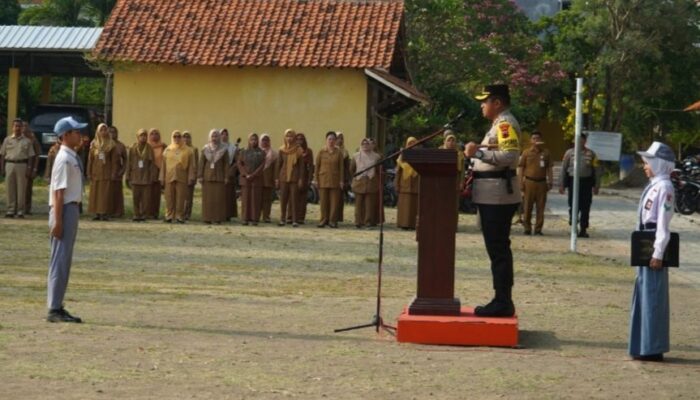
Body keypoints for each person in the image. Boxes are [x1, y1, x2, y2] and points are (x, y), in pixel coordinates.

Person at [464, 84, 521, 317]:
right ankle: (501, 298)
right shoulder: (498, 125)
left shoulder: (505, 124)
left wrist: (477, 153)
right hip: (491, 194)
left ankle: (503, 301)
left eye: (485, 101)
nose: (482, 105)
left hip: (497, 195)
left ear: (497, 103)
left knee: (498, 250)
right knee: (497, 249)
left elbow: (510, 156)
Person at [628, 142, 676, 362]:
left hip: (652, 245)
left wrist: (658, 253)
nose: (644, 166)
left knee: (654, 297)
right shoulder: (655, 185)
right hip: (643, 244)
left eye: (647, 163)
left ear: (659, 164)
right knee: (645, 294)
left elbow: (663, 226)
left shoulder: (665, 188)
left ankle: (653, 346)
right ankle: (642, 343)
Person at [47, 116, 87, 323]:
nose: (79, 135)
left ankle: (57, 304)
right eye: (76, 132)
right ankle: (54, 308)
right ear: (65, 135)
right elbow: (59, 193)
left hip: (70, 209)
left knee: (64, 260)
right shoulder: (64, 158)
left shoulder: (70, 156)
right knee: (60, 260)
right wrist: (58, 221)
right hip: (64, 210)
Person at [559, 133, 601, 238]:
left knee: (585, 207)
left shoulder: (591, 154)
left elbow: (596, 171)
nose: (580, 142)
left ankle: (583, 229)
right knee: (573, 206)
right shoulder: (569, 153)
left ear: (585, 141)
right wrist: (562, 184)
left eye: (582, 140)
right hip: (573, 182)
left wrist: (596, 185)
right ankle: (574, 228)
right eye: (578, 140)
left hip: (586, 183)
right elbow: (563, 169)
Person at [518, 131, 553, 235]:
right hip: (529, 182)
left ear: (541, 140)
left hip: (542, 183)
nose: (536, 140)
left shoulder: (546, 153)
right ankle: (527, 228)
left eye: (538, 138)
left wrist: (550, 181)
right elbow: (521, 168)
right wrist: (520, 182)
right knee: (527, 206)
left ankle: (538, 229)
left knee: (541, 207)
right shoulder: (526, 152)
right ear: (531, 140)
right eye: (534, 138)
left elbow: (549, 168)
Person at [0, 118, 36, 218]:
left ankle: (20, 211)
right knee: (9, 188)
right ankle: (10, 210)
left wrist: (29, 168)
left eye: (19, 126)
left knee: (21, 189)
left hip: (22, 165)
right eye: (15, 126)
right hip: (9, 164)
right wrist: (2, 168)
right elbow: (2, 155)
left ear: (22, 128)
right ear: (12, 127)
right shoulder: (7, 140)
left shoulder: (27, 141)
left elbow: (31, 156)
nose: (17, 128)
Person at [160, 130, 196, 223]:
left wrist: (191, 177)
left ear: (181, 138)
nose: (176, 138)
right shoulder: (167, 150)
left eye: (178, 136)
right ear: (172, 137)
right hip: (169, 176)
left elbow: (191, 166)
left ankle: (179, 216)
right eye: (175, 136)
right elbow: (163, 165)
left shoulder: (188, 150)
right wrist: (161, 177)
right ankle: (169, 215)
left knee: (181, 197)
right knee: (169, 197)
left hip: (182, 176)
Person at [87, 123, 118, 221]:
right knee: (95, 193)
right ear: (98, 131)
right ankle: (96, 213)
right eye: (101, 130)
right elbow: (90, 160)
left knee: (105, 194)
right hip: (96, 172)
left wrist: (113, 172)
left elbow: (114, 161)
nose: (104, 132)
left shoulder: (111, 144)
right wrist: (89, 172)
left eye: (105, 130)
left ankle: (104, 213)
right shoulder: (94, 144)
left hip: (107, 172)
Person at [199, 129, 229, 224]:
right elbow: (201, 163)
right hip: (207, 177)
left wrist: (226, 176)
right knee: (208, 199)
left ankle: (217, 218)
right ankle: (207, 218)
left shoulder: (224, 149)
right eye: (212, 136)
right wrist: (200, 176)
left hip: (219, 177)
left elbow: (226, 164)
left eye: (216, 136)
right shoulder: (205, 149)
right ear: (209, 137)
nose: (214, 138)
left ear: (219, 137)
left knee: (218, 199)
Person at [315, 131, 344, 228]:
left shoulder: (339, 152)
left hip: (335, 179)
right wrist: (316, 179)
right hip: (323, 179)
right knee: (323, 202)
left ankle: (332, 221)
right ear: (326, 140)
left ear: (336, 141)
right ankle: (323, 220)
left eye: (333, 139)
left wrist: (341, 180)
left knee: (334, 202)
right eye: (329, 139)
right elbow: (317, 167)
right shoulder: (321, 151)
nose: (331, 141)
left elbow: (341, 168)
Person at [350, 138, 381, 228]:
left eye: (367, 144)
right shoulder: (356, 156)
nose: (365, 145)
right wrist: (356, 177)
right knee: (358, 204)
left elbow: (379, 170)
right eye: (363, 144)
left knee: (369, 204)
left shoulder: (376, 156)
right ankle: (358, 222)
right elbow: (352, 169)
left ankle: (368, 222)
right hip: (359, 181)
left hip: (371, 181)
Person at [125, 129, 155, 222]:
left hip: (146, 176)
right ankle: (136, 214)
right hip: (135, 176)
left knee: (145, 198)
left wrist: (152, 176)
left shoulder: (149, 148)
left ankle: (143, 214)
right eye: (141, 136)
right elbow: (129, 163)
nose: (143, 137)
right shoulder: (133, 148)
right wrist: (127, 176)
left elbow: (152, 164)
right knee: (136, 198)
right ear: (137, 137)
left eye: (145, 136)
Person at [238, 133, 266, 225]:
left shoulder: (261, 152)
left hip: (256, 179)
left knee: (255, 199)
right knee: (246, 199)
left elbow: (262, 165)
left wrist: (253, 175)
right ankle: (245, 218)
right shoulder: (243, 152)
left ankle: (254, 219)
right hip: (245, 179)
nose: (253, 141)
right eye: (251, 139)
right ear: (248, 140)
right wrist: (245, 174)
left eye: (255, 139)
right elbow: (239, 164)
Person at [276, 129, 302, 226]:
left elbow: (302, 166)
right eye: (287, 136)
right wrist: (277, 178)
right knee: (283, 199)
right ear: (284, 138)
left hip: (294, 177)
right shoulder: (281, 150)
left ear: (294, 138)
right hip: (283, 177)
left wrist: (300, 178)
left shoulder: (299, 150)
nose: (289, 138)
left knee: (294, 199)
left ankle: (294, 220)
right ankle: (282, 218)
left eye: (291, 136)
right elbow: (278, 164)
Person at [441, 133, 466, 229]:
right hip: (442, 181)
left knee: (454, 205)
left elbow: (462, 171)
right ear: (444, 142)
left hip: (455, 181)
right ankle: (442, 224)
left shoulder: (459, 155)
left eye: (453, 140)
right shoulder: (439, 152)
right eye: (448, 140)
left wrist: (461, 182)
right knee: (442, 203)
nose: (451, 142)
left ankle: (452, 226)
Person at [395, 137, 420, 230]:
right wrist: (396, 184)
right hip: (404, 184)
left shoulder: (420, 156)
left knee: (415, 205)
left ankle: (414, 224)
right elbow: (398, 172)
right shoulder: (402, 156)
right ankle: (403, 223)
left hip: (416, 183)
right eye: (410, 143)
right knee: (404, 206)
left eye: (414, 143)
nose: (412, 145)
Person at [147, 128, 166, 219]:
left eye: (156, 133)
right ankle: (147, 213)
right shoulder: (146, 146)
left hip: (159, 172)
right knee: (147, 194)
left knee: (156, 195)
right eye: (152, 134)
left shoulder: (163, 146)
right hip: (148, 173)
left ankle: (155, 214)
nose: (154, 135)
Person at [23, 122, 42, 215]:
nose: (24, 128)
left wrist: (34, 169)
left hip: (29, 166)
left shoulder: (33, 139)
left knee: (27, 189)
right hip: (19, 165)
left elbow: (37, 155)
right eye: (22, 126)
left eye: (26, 126)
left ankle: (27, 208)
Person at [108, 126, 127, 218]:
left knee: (117, 193)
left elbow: (126, 160)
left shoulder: (121, 146)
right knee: (108, 193)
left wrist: (122, 171)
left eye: (114, 132)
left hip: (117, 172)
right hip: (106, 173)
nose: (112, 134)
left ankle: (118, 212)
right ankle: (108, 211)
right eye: (110, 132)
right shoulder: (105, 144)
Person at [295, 133, 314, 224]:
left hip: (305, 176)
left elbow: (310, 166)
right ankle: (291, 216)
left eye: (301, 139)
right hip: (294, 176)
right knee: (293, 198)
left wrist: (310, 179)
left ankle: (301, 217)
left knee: (303, 199)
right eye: (297, 139)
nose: (299, 141)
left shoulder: (308, 151)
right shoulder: (292, 150)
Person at [259, 133, 278, 223]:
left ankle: (266, 216)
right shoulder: (256, 152)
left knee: (267, 199)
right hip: (257, 178)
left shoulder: (273, 154)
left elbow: (276, 168)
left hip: (268, 178)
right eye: (263, 140)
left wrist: (275, 179)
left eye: (267, 140)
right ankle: (257, 215)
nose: (265, 142)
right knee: (257, 198)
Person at [221, 128, 239, 220]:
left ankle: (228, 214)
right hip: (219, 173)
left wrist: (232, 169)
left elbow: (237, 161)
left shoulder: (233, 148)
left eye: (226, 134)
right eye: (222, 134)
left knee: (228, 195)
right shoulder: (216, 147)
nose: (224, 136)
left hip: (230, 172)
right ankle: (219, 213)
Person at [183, 131, 198, 220]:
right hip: (181, 174)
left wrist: (195, 175)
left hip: (191, 174)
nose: (185, 139)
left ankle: (187, 214)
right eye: (184, 137)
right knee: (181, 195)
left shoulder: (194, 149)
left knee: (189, 196)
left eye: (188, 137)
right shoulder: (179, 148)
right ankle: (181, 212)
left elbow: (196, 163)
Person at [335, 132, 350, 222]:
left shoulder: (345, 152)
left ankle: (337, 217)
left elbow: (347, 167)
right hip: (331, 176)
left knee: (339, 198)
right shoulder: (329, 150)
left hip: (341, 177)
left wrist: (346, 179)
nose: (339, 140)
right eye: (337, 138)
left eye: (341, 138)